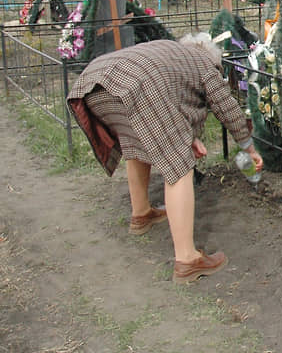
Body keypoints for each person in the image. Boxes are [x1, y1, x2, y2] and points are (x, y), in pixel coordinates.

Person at [67, 34, 264, 284]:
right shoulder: (206, 64)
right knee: (179, 166)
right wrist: (249, 147)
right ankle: (187, 260)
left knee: (135, 142)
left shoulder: (173, 56)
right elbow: (227, 108)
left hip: (93, 83)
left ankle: (142, 214)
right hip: (135, 84)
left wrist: (188, 137)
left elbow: (169, 105)